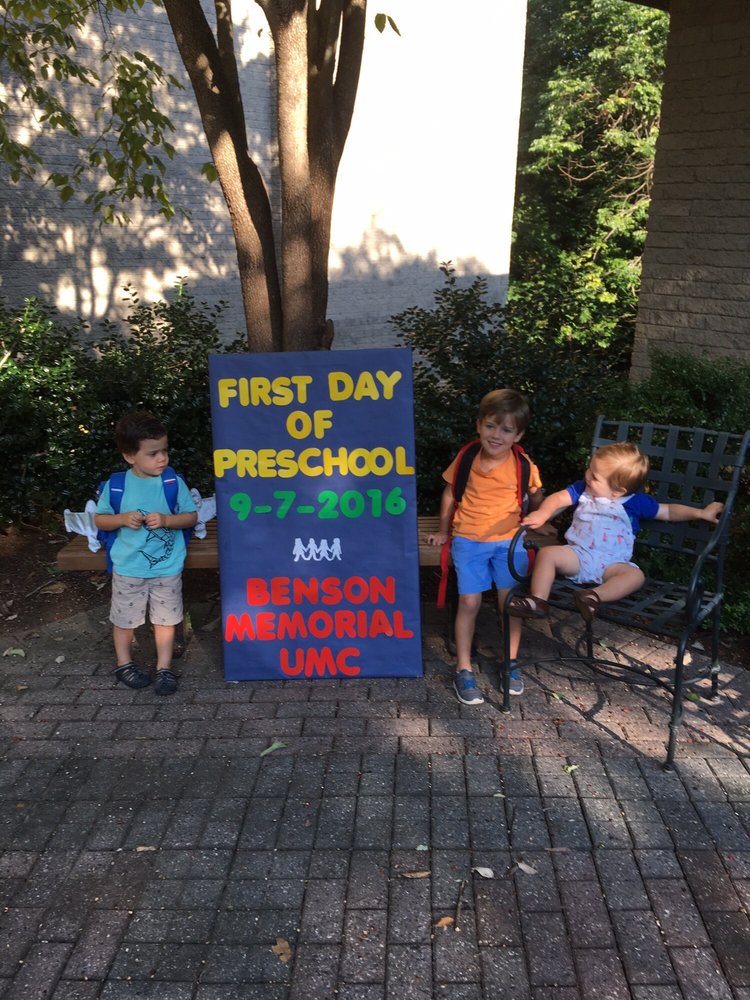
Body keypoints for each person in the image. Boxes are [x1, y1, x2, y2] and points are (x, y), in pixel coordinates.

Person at [507, 442, 724, 623]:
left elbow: (667, 511)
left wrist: (700, 513)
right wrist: (543, 513)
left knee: (635, 576)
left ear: (618, 491)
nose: (587, 476)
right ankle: (537, 601)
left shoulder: (635, 502)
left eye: (595, 476)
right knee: (548, 554)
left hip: (613, 564)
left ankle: (592, 597)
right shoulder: (582, 489)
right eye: (589, 469)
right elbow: (557, 498)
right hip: (578, 555)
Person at [425, 389, 546, 705]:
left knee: (511, 604)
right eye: (491, 426)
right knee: (469, 602)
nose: (496, 435)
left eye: (506, 430)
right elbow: (450, 495)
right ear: (479, 425)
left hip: (509, 542)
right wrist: (442, 530)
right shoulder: (466, 458)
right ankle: (463, 667)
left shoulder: (522, 464)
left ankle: (511, 661)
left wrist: (539, 517)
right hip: (468, 540)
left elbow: (536, 493)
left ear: (517, 434)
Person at [95, 411, 198, 695]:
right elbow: (100, 519)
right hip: (129, 567)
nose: (162, 459)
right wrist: (121, 518)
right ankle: (124, 663)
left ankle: (164, 667)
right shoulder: (118, 485)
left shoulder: (172, 483)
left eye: (164, 451)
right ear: (130, 456)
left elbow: (190, 517)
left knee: (165, 619)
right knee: (124, 620)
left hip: (167, 567)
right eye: (153, 454)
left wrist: (166, 520)